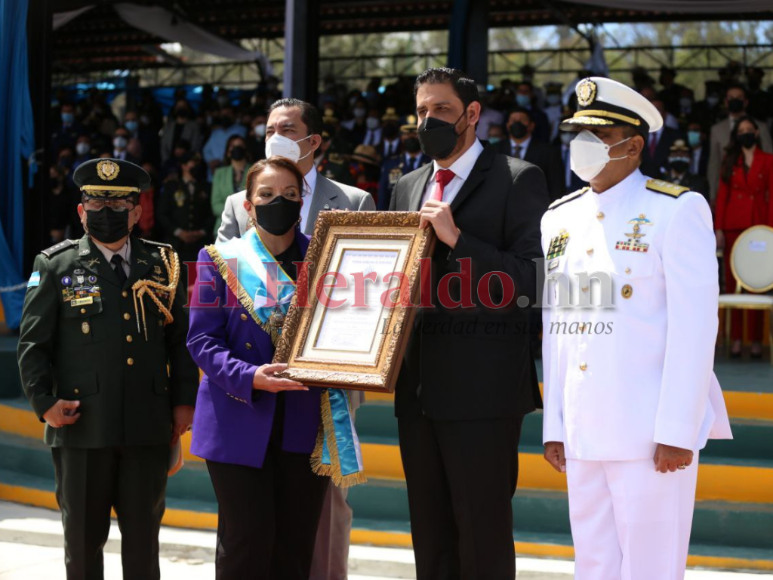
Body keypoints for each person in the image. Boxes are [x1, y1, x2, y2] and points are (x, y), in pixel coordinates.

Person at [541, 77, 733, 580]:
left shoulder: (674, 209)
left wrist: (677, 430)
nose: (584, 146)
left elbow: (695, 330)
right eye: (578, 133)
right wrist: (555, 424)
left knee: (651, 568)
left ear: (634, 144)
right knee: (594, 564)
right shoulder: (559, 218)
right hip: (583, 432)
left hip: (650, 434)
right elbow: (557, 328)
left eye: (599, 135)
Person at [389, 67, 549, 578]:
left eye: (440, 109)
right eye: (420, 111)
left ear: (472, 114)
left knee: (481, 537)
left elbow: (533, 281)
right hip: (416, 391)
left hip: (484, 395)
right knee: (429, 535)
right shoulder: (407, 184)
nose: (427, 120)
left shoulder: (518, 178)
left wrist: (459, 240)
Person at [214, 98, 374, 580]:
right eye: (269, 128)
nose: (275, 135)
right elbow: (223, 281)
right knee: (249, 532)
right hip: (252, 386)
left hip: (324, 385)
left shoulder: (352, 201)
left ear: (313, 140)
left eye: (287, 128)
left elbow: (367, 292)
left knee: (320, 518)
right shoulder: (235, 205)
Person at [17, 158, 199, 579]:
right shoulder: (55, 265)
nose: (106, 212)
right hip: (81, 426)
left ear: (136, 212)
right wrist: (43, 402)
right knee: (81, 541)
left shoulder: (163, 264)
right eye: (96, 204)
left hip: (146, 425)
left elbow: (180, 343)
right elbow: (32, 344)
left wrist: (183, 404)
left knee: (143, 541)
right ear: (81, 212)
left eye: (118, 204)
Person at [187, 157, 329, 580]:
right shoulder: (219, 258)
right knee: (246, 544)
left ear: (302, 202)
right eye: (266, 195)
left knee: (295, 545)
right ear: (247, 206)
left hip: (304, 420)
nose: (277, 203)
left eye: (289, 195)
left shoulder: (326, 257)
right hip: (239, 415)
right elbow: (201, 341)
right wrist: (249, 375)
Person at [714, 116, 773, 358]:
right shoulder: (730, 161)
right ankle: (736, 340)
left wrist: (770, 230)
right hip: (733, 227)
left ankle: (757, 341)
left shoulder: (768, 161)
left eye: (750, 130)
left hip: (759, 226)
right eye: (742, 131)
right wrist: (718, 229)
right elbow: (722, 197)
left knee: (758, 285)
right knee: (733, 284)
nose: (746, 133)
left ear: (757, 133)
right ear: (736, 136)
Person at [708, 83, 773, 199]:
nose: (735, 100)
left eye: (739, 98)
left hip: (758, 193)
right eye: (731, 98)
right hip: (728, 192)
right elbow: (714, 164)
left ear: (746, 102)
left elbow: (769, 157)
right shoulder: (717, 129)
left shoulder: (760, 127)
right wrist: (713, 195)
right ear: (726, 102)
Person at [156, 153, 214, 272]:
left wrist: (202, 232)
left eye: (197, 163)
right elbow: (161, 213)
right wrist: (178, 232)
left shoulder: (206, 187)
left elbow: (212, 212)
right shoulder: (171, 186)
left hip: (200, 244)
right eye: (193, 163)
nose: (195, 166)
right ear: (183, 166)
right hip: (176, 244)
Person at [496, 106, 565, 200]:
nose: (517, 123)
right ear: (507, 126)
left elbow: (556, 186)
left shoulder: (548, 152)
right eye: (513, 120)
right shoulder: (495, 150)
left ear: (531, 126)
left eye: (522, 120)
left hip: (537, 210)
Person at [378, 115, 430, 211]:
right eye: (406, 133)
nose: (411, 136)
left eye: (415, 132)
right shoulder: (390, 164)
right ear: (401, 137)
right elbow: (383, 198)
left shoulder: (432, 163)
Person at [211, 134, 250, 236]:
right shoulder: (219, 173)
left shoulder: (255, 171)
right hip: (223, 228)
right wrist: (235, 214)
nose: (236, 148)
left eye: (240, 146)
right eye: (233, 146)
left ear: (245, 150)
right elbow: (216, 204)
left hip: (249, 228)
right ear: (228, 152)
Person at [640, 96, 684, 178]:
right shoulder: (638, 133)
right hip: (640, 181)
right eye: (651, 110)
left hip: (666, 182)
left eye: (658, 110)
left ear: (665, 114)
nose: (654, 113)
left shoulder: (675, 135)